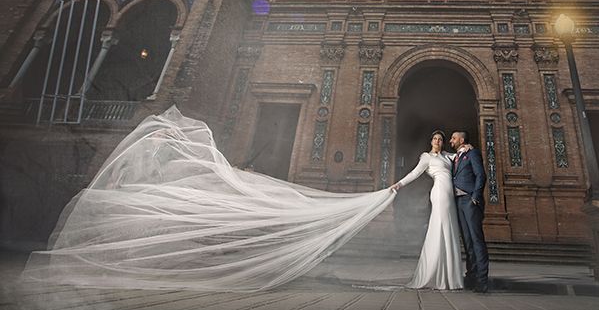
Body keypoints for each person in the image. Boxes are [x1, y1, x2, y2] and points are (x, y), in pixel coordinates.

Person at [22, 106, 397, 292]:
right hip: (157, 191)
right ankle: (130, 262)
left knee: (153, 223)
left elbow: (140, 173)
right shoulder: (159, 155)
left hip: (157, 191)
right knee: (154, 224)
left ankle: (126, 262)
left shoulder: (159, 154)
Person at [390, 130, 469, 290]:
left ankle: (448, 274)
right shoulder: (427, 157)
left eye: (440, 139)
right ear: (431, 141)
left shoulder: (447, 155)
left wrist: (467, 146)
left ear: (443, 142)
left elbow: (460, 156)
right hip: (440, 193)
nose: (437, 141)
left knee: (449, 229)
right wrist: (399, 184)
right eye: (435, 138)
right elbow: (415, 173)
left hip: (450, 195)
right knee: (442, 227)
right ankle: (437, 273)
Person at [450, 130, 489, 293]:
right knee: (467, 241)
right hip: (458, 202)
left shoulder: (472, 153)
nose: (451, 140)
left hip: (469, 200)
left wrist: (476, 196)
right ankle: (471, 277)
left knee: (476, 240)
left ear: (462, 139)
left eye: (454, 138)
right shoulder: (455, 157)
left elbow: (481, 175)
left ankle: (482, 280)